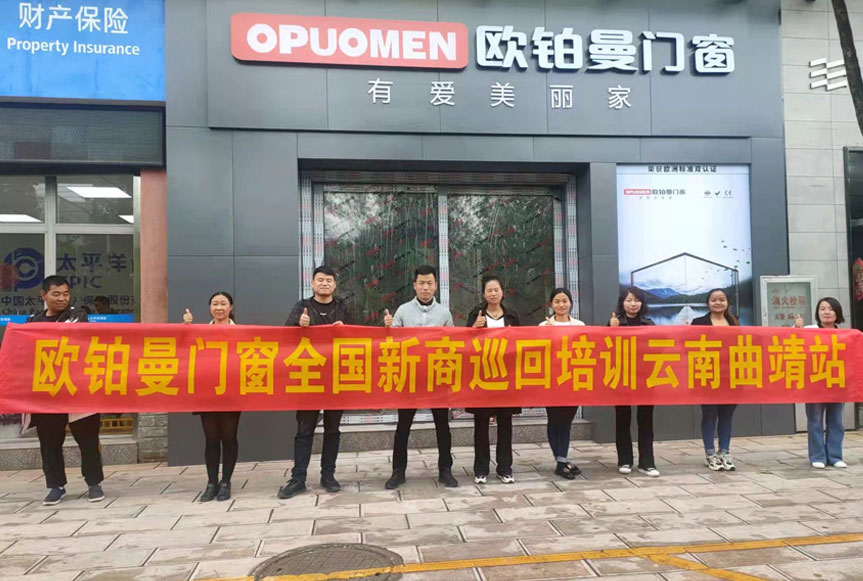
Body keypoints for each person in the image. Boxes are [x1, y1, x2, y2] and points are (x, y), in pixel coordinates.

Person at [23, 275, 104, 505]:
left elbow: (72, 338)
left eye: (66, 294)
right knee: (49, 441)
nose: (62, 298)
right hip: (48, 393)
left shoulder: (78, 315)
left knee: (88, 439)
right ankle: (55, 485)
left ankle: (94, 483)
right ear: (44, 295)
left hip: (79, 390)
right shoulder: (32, 322)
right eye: (56, 294)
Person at [278, 265, 352, 499]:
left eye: (329, 280)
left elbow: (358, 338)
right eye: (320, 280)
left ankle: (328, 475)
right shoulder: (301, 307)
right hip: (308, 377)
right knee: (304, 430)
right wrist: (298, 327)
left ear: (335, 285)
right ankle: (298, 478)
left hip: (335, 378)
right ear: (312, 283)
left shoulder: (342, 307)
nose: (324, 283)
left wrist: (345, 330)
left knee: (332, 430)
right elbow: (285, 337)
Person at [383, 265, 458, 489]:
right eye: (421, 283)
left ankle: (445, 470)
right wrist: (388, 328)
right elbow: (391, 343)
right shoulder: (403, 311)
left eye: (429, 283)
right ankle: (398, 471)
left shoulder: (444, 313)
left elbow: (453, 343)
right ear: (414, 285)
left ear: (435, 286)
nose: (425, 287)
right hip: (410, 377)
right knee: (403, 426)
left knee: (442, 426)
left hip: (437, 377)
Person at [183, 291, 241, 502]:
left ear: (230, 307)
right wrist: (187, 328)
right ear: (210, 308)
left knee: (229, 436)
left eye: (223, 303)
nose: (219, 307)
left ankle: (226, 482)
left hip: (231, 391)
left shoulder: (242, 332)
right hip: (206, 392)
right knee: (211, 438)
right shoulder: (200, 332)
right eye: (215, 303)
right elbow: (184, 351)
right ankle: (211, 482)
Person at [465, 275, 520, 484]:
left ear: (502, 292)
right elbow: (465, 344)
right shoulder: (476, 314)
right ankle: (481, 469)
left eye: (496, 290)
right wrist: (474, 328)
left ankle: (505, 468)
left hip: (506, 377)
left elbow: (522, 343)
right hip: (482, 377)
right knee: (481, 426)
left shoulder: (512, 316)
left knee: (506, 425)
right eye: (489, 290)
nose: (493, 293)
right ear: (483, 294)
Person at [609, 286, 660, 477]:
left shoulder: (649, 324)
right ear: (622, 303)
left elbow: (659, 349)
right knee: (623, 420)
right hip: (621, 377)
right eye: (629, 300)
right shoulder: (614, 323)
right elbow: (605, 350)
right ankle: (625, 460)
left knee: (646, 421)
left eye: (637, 300)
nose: (633, 304)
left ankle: (647, 462)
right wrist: (611, 330)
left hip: (645, 378)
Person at [794, 298, 848, 469]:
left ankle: (835, 456)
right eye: (822, 309)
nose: (826, 312)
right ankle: (817, 456)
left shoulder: (846, 334)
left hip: (837, 384)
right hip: (815, 384)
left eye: (831, 308)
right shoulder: (809, 330)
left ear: (837, 313)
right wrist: (797, 329)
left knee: (837, 421)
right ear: (817, 313)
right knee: (815, 421)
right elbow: (793, 343)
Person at [691, 288, 739, 472]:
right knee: (709, 414)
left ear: (727, 302)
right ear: (708, 303)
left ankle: (724, 452)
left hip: (730, 376)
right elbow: (689, 347)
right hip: (707, 375)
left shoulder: (734, 322)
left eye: (721, 299)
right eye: (714, 300)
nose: (718, 303)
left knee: (727, 415)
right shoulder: (698, 323)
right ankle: (710, 453)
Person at [540, 287, 585, 480]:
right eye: (557, 301)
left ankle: (562, 459)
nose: (561, 305)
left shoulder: (579, 325)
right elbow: (539, 353)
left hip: (572, 380)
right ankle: (560, 461)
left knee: (566, 421)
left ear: (571, 303)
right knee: (554, 420)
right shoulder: (543, 326)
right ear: (551, 304)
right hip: (551, 381)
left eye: (564, 301)